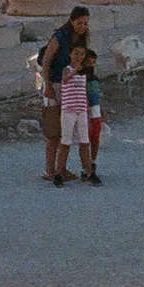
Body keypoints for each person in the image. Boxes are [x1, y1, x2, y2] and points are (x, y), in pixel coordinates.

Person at [37, 7, 90, 183]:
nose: (83, 26)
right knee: (53, 129)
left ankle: (61, 168)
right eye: (80, 22)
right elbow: (46, 60)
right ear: (72, 21)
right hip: (55, 83)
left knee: (65, 130)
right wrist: (47, 85)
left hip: (71, 87)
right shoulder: (60, 36)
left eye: (85, 23)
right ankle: (49, 169)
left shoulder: (82, 38)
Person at [54, 43, 93, 183]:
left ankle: (88, 172)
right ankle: (59, 172)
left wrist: (87, 106)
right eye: (76, 53)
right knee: (65, 142)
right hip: (68, 110)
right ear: (70, 54)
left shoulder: (84, 73)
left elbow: (84, 90)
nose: (79, 57)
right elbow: (64, 79)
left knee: (84, 141)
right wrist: (75, 71)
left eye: (82, 54)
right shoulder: (67, 69)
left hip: (81, 110)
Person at [80, 48, 106, 184]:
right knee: (86, 140)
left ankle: (92, 163)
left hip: (95, 110)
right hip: (86, 111)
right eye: (89, 63)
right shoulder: (81, 77)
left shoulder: (93, 78)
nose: (91, 66)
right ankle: (86, 169)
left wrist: (102, 110)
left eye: (93, 63)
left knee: (95, 139)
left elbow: (96, 95)